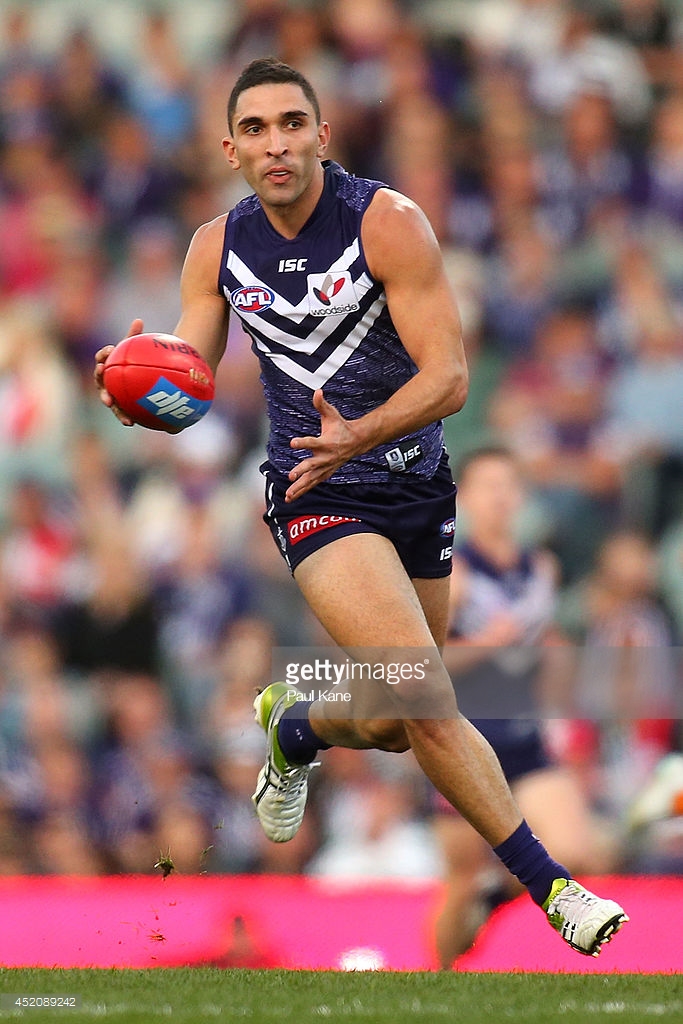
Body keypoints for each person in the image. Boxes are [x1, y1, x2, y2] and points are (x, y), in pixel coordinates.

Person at [94, 57, 627, 956]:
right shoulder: (212, 248)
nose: (276, 143)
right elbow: (189, 373)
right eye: (256, 129)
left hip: (414, 483)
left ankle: (294, 722)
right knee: (427, 691)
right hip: (313, 489)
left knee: (391, 716)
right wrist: (137, 387)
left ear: (321, 134)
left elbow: (451, 376)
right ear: (230, 148)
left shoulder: (387, 222)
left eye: (292, 124)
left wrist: (363, 431)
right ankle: (555, 888)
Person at [430, 446, 617, 968]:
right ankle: (439, 979)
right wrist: (492, 643)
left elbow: (545, 647)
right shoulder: (453, 571)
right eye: (487, 486)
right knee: (461, 878)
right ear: (465, 496)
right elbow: (427, 660)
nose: (499, 497)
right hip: (463, 738)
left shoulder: (542, 569)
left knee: (575, 851)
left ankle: (501, 899)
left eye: (507, 485)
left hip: (523, 736)